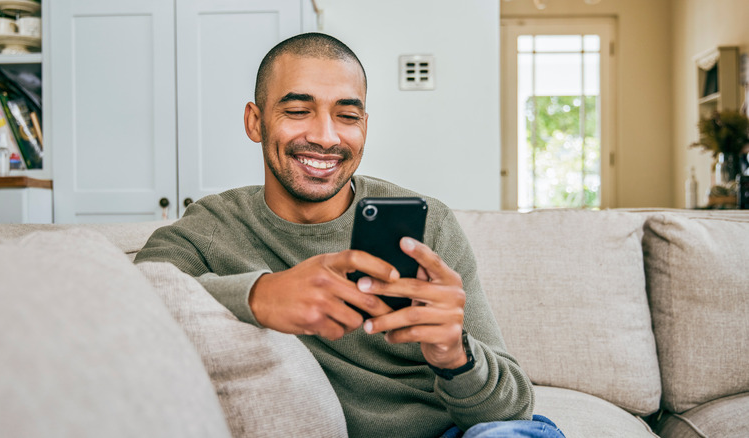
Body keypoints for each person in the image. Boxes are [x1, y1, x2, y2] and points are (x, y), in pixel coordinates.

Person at [135, 32, 564, 438]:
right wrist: (260, 296)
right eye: (298, 111)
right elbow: (129, 299)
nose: (325, 137)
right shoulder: (213, 226)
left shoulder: (430, 224)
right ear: (255, 121)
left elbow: (513, 409)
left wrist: (456, 356)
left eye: (348, 116)